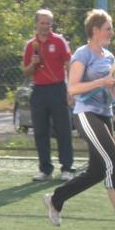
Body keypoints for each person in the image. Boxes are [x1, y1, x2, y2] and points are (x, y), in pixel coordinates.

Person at [43, 9, 115, 230]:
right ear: (95, 30)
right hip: (86, 114)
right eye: (108, 28)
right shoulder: (83, 54)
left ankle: (55, 199)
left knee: (98, 171)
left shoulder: (110, 58)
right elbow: (73, 89)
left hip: (105, 114)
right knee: (114, 161)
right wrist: (101, 82)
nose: (112, 32)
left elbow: (113, 94)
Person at [23, 9, 75, 182]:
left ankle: (67, 168)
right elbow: (26, 71)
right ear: (36, 24)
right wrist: (33, 64)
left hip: (58, 89)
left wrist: (71, 90)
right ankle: (45, 170)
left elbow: (69, 64)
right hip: (38, 91)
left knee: (63, 130)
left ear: (51, 24)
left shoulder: (59, 41)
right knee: (40, 131)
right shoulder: (31, 45)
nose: (45, 26)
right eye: (42, 23)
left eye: (48, 23)